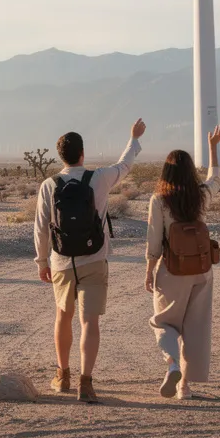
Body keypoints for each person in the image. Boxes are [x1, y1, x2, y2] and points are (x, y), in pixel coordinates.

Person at [34, 118, 147, 403]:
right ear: (82, 153)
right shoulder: (100, 178)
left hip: (61, 261)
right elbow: (125, 165)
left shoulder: (49, 185)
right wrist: (133, 139)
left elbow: (41, 227)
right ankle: (86, 383)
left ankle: (62, 377)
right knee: (89, 321)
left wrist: (42, 262)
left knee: (63, 316)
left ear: (61, 156)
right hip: (94, 259)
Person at [144, 125, 220, 399]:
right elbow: (216, 178)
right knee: (196, 327)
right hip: (202, 270)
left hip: (172, 270)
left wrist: (149, 270)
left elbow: (154, 240)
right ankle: (185, 387)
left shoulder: (160, 200)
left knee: (163, 322)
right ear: (190, 170)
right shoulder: (201, 195)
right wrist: (213, 147)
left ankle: (172, 364)